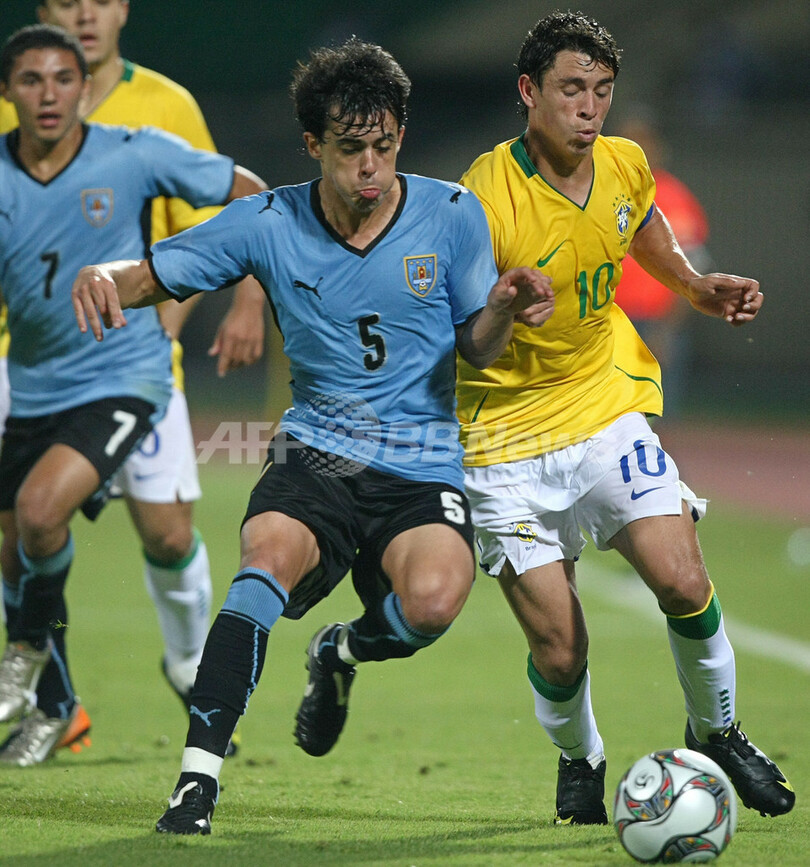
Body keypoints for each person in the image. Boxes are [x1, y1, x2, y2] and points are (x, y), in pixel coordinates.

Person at [71, 37, 554, 835]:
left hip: (420, 461)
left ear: (400, 135)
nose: (370, 167)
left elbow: (478, 347)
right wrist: (103, 276)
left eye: (384, 146)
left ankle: (338, 653)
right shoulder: (268, 221)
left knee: (433, 604)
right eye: (350, 148)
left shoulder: (451, 213)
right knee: (261, 563)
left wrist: (502, 306)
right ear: (312, 145)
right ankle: (196, 781)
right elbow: (154, 273)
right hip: (316, 451)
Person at [455, 11, 794, 824]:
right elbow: (471, 345)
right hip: (503, 439)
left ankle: (717, 731)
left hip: (605, 407)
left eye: (602, 90)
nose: (590, 107)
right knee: (560, 648)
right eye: (572, 89)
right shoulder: (481, 196)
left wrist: (692, 285)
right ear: (529, 91)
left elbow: (638, 218)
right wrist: (505, 306)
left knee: (682, 579)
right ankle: (581, 755)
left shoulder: (624, 162)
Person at [0, 0, 267, 756]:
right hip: (29, 376)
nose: (48, 93)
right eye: (31, 80)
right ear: (10, 88)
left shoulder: (141, 139)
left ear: (83, 87)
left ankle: (166, 662)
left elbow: (247, 195)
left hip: (127, 369)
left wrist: (249, 292)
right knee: (18, 539)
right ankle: (54, 699)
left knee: (146, 529)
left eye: (62, 80)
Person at [613, 108, 711, 417]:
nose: (634, 148)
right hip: (606, 319)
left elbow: (695, 267)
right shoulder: (600, 190)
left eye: (642, 140)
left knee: (655, 419)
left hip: (654, 323)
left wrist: (667, 330)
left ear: (657, 145)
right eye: (626, 140)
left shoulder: (671, 195)